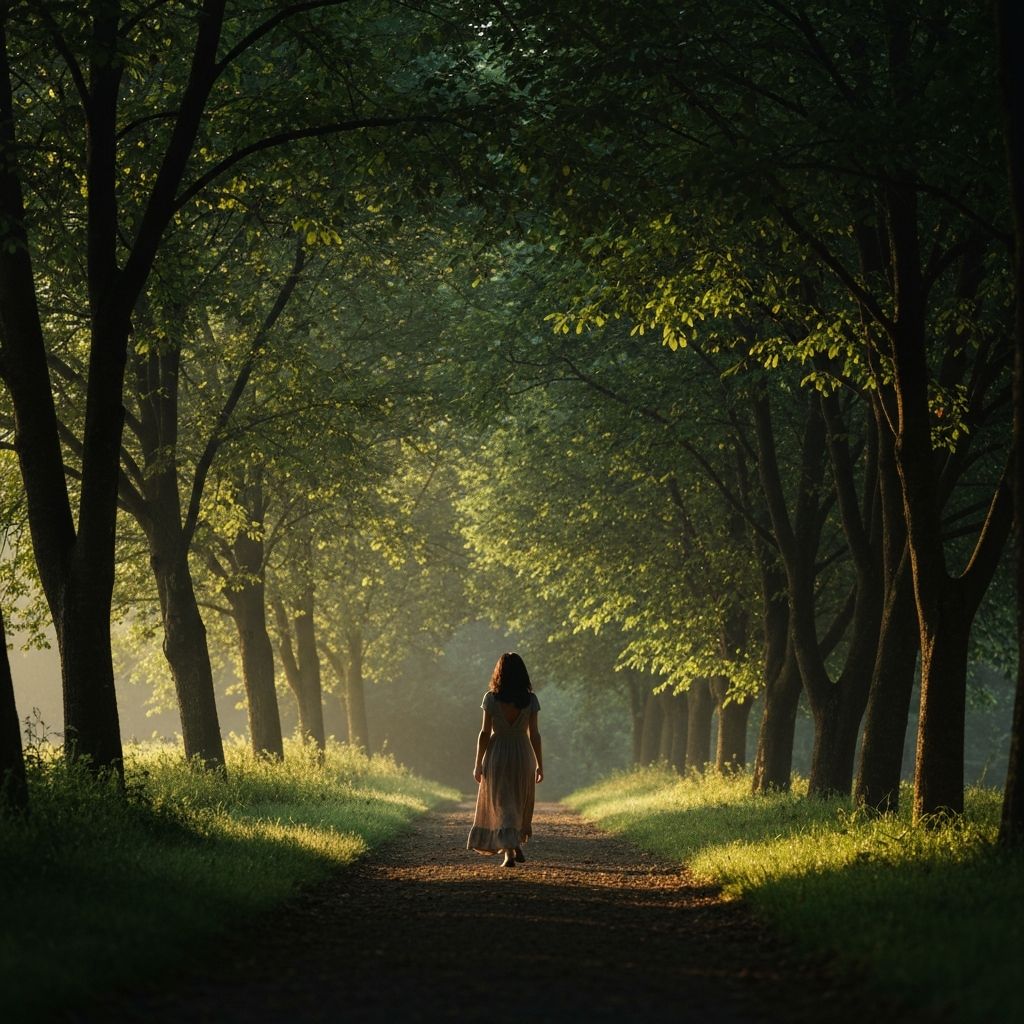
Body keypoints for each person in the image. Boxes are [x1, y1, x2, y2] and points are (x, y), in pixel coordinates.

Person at [466, 652, 543, 868]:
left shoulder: (491, 698)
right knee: (518, 801)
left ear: (499, 672)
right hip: (522, 753)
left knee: (502, 802)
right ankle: (513, 844)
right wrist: (539, 764)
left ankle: (509, 851)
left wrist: (478, 763)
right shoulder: (530, 699)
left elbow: (484, 733)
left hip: (497, 752)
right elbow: (535, 735)